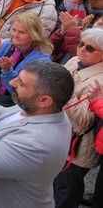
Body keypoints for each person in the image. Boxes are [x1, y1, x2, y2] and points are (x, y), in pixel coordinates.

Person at [0, 62, 74, 208]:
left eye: (21, 83)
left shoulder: (38, 143)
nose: (12, 82)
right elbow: (4, 116)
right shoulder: (40, 109)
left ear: (44, 100)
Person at [53, 28, 103, 207]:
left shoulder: (101, 81)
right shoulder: (74, 61)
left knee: (67, 187)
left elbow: (83, 122)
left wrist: (63, 94)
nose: (82, 49)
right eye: (81, 44)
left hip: (80, 146)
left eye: (90, 48)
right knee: (56, 183)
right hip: (60, 134)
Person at [0, 12, 53, 107]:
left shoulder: (41, 61)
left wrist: (7, 71)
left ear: (34, 35)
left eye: (21, 32)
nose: (15, 35)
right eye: (14, 30)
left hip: (14, 104)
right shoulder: (6, 45)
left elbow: (21, 93)